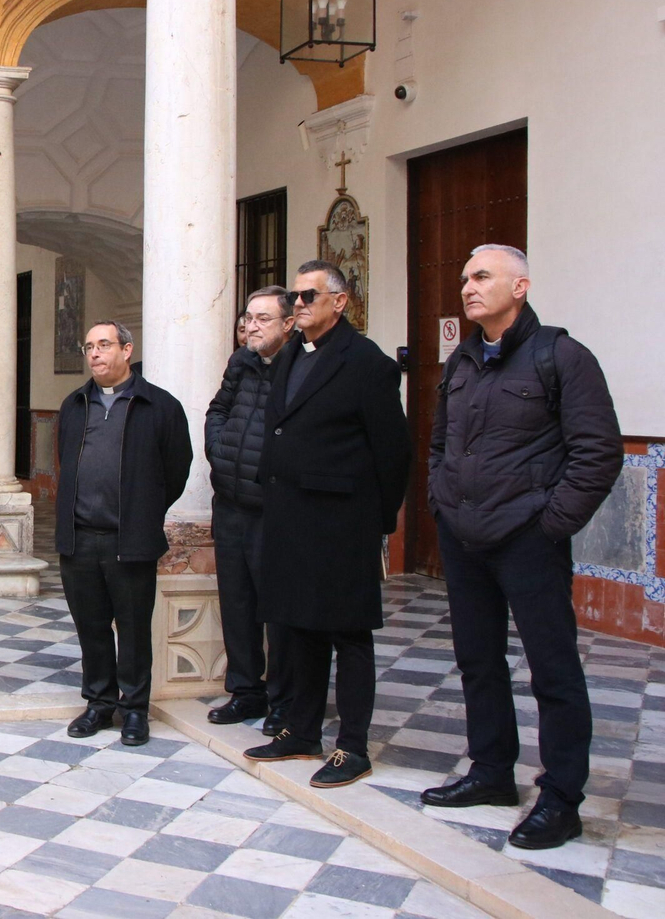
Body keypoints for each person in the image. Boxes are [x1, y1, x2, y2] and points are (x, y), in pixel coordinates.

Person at [421, 244, 621, 849]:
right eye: (463, 279)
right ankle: (490, 772)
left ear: (521, 286)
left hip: (527, 538)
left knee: (552, 670)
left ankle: (561, 797)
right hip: (464, 536)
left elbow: (598, 452)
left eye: (482, 276)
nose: (467, 287)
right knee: (477, 659)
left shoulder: (561, 356)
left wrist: (550, 523)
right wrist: (441, 501)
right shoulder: (460, 363)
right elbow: (439, 446)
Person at [246, 261, 409, 787]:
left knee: (348, 633)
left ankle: (353, 747)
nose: (299, 303)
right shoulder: (293, 352)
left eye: (309, 295)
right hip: (291, 517)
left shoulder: (366, 363)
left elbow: (393, 450)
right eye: (295, 295)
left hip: (342, 523)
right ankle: (302, 730)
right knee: (299, 628)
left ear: (340, 302)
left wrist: (378, 522)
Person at [54, 321, 192, 745]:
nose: (94, 354)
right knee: (91, 627)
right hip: (79, 538)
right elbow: (63, 460)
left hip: (128, 539)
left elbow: (177, 469)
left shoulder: (160, 406)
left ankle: (134, 709)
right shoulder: (74, 404)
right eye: (89, 346)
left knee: (132, 629)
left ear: (127, 350)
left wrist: (143, 510)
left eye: (104, 345)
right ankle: (99, 703)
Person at [205, 286, 293, 733]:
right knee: (236, 602)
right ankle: (245, 691)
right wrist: (218, 452)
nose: (251, 326)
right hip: (232, 503)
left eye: (262, 319)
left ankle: (283, 700)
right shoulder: (242, 361)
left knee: (276, 609)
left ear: (288, 325)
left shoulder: (299, 365)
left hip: (275, 509)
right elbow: (217, 409)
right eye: (248, 318)